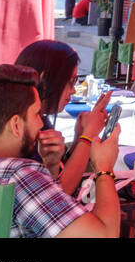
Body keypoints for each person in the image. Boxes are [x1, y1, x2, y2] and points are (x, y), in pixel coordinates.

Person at [0, 64, 121, 237]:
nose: (41, 123)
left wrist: (51, 167)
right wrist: (104, 169)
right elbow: (105, 234)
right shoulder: (20, 176)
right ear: (15, 125)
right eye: (36, 114)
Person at [14, 39, 111, 195]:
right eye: (71, 82)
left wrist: (79, 136)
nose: (73, 91)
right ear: (45, 80)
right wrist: (88, 136)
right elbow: (60, 192)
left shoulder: (37, 118)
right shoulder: (26, 126)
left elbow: (57, 172)